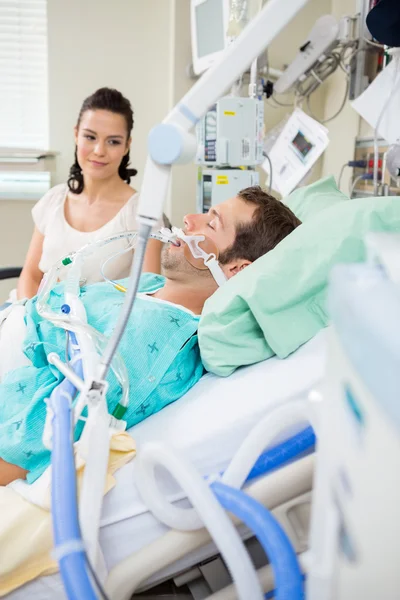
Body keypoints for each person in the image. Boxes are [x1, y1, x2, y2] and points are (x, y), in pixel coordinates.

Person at [0, 186, 301, 486]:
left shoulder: (153, 342)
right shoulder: (149, 284)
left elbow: (39, 440)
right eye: (206, 211)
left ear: (236, 269)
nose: (188, 219)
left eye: (211, 224)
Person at [17, 87, 164, 300]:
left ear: (126, 146)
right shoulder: (53, 200)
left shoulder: (143, 213)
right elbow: (31, 275)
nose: (99, 151)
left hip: (99, 329)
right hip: (35, 317)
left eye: (113, 141)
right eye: (90, 137)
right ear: (76, 135)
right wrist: (29, 320)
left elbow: (147, 295)